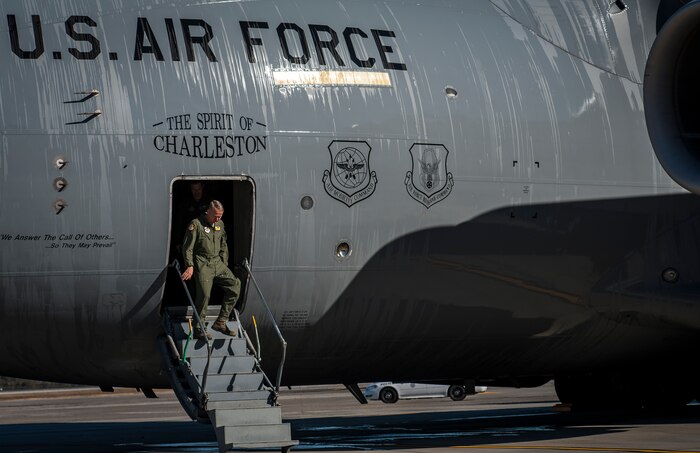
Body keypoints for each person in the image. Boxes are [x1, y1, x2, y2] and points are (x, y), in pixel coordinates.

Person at [181, 200, 241, 340]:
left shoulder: (220, 224)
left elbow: (223, 244)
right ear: (208, 211)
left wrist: (223, 262)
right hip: (202, 263)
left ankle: (221, 321)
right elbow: (187, 247)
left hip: (217, 263)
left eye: (220, 216)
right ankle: (199, 328)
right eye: (216, 216)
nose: (218, 219)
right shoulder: (196, 224)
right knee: (204, 295)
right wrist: (190, 265)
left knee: (235, 285)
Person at [173, 181, 210, 261]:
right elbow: (179, 223)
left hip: (205, 239)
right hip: (189, 239)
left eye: (198, 189)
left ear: (202, 187)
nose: (196, 192)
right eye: (194, 190)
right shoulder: (184, 203)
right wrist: (178, 241)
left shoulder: (209, 203)